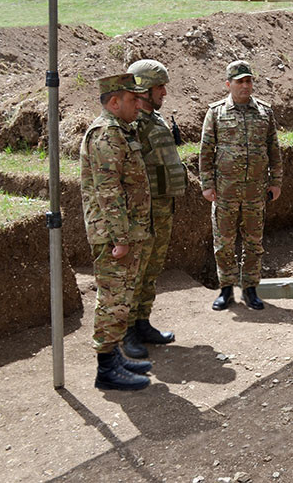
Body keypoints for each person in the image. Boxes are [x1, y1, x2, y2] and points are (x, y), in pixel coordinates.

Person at [80, 73, 154, 391]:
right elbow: (108, 192)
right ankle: (106, 369)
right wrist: (120, 239)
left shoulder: (121, 131)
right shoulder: (106, 134)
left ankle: (114, 356)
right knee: (112, 300)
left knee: (121, 299)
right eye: (132, 99)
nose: (139, 104)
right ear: (114, 102)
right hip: (113, 236)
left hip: (126, 231)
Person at [199, 60, 283, 311]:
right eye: (240, 82)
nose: (245, 86)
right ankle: (226, 288)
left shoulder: (265, 112)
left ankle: (250, 288)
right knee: (224, 242)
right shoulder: (216, 112)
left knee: (254, 242)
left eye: (248, 81)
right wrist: (207, 184)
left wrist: (276, 182)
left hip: (255, 191)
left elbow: (274, 149)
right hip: (225, 190)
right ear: (229, 84)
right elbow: (206, 151)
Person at [119, 59, 186, 359]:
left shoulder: (156, 120)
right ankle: (127, 331)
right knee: (135, 273)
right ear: (144, 89)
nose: (164, 93)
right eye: (160, 87)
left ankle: (142, 322)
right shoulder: (132, 126)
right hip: (141, 212)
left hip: (162, 208)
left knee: (152, 270)